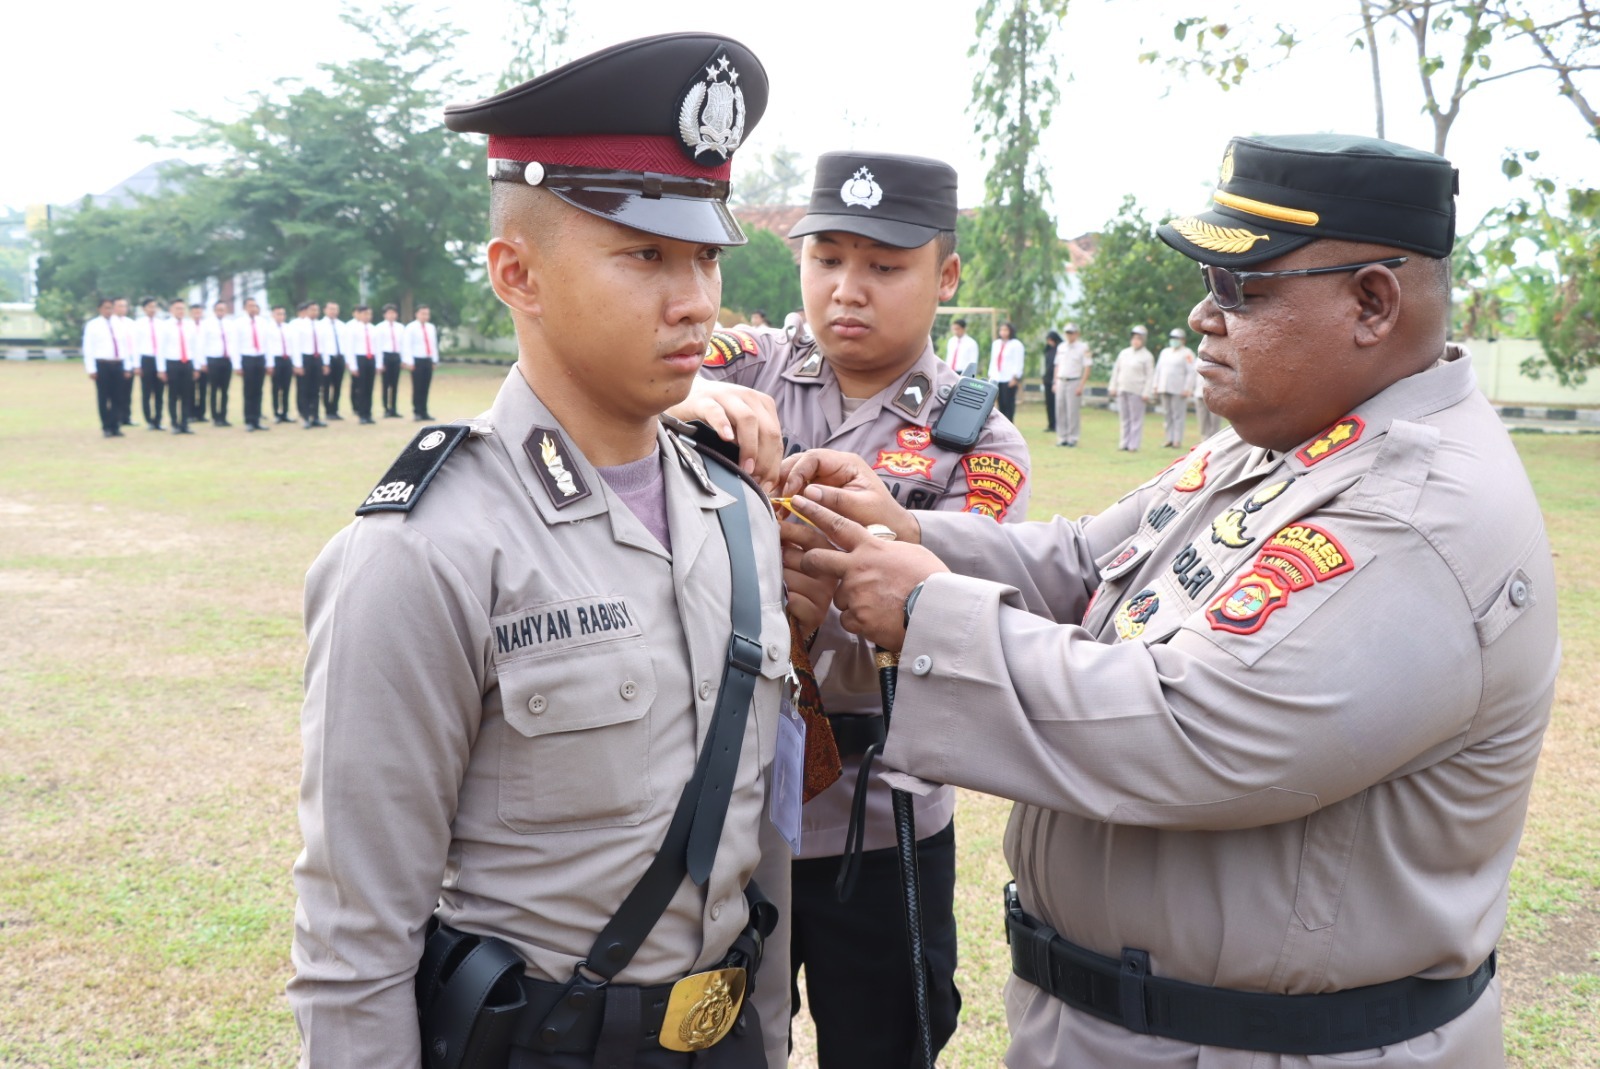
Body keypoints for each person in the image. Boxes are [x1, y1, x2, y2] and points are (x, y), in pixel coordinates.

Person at [782, 132, 1559, 1069]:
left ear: (1371, 302)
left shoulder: (1415, 512)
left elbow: (1193, 727)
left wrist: (923, 613)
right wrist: (908, 535)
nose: (1203, 315)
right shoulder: (1289, 440)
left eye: (1243, 289)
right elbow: (1084, 562)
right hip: (1139, 1024)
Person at [289, 32, 814, 1069]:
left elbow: (760, 836)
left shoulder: (734, 510)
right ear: (516, 272)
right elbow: (355, 940)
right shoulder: (426, 552)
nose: (696, 300)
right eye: (644, 254)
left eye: (704, 254)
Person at [674, 150, 1031, 1069]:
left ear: (946, 276)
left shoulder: (975, 441)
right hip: (726, 799)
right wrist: (690, 394)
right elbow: (627, 382)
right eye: (827, 257)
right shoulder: (739, 366)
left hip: (881, 815)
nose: (847, 289)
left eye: (884, 265)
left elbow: (964, 623)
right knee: (721, 1044)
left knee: (885, 1040)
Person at [1106, 324, 1154, 451]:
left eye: (1138, 338)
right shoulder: (1124, 353)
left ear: (1143, 340)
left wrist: (1146, 392)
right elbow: (1116, 370)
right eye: (1134, 338)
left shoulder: (1147, 356)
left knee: (1136, 420)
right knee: (1124, 418)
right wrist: (1113, 386)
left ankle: (1133, 445)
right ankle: (1124, 443)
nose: (1135, 341)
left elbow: (1150, 376)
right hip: (1123, 388)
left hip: (1137, 391)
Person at [82, 298, 125, 437]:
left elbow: (125, 345)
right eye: (106, 308)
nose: (109, 311)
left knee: (118, 396)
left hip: (117, 363)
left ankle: (115, 425)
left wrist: (127, 365)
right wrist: (91, 369)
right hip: (102, 364)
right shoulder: (93, 325)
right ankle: (106, 426)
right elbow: (88, 348)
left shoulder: (119, 323)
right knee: (103, 397)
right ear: (100, 309)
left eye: (111, 308)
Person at [158, 298, 200, 434]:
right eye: (177, 308)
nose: (180, 311)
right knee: (173, 395)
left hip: (187, 363)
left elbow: (195, 347)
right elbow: (160, 349)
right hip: (172, 363)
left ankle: (185, 423)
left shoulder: (190, 325)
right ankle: (174, 423)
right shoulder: (165, 326)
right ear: (171, 310)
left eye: (182, 308)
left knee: (187, 395)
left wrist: (196, 367)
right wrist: (161, 369)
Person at [1152, 326, 1197, 448]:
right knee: (1167, 414)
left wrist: (1187, 388)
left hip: (1179, 389)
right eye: (1173, 338)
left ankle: (1177, 440)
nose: (1174, 340)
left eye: (1177, 338)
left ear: (1183, 340)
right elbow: (1158, 369)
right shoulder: (1165, 352)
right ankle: (1169, 438)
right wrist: (1155, 385)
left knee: (1178, 415)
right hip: (1164, 386)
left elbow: (1191, 372)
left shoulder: (1187, 353)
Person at [233, 298, 271, 432]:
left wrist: (269, 362)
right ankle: (249, 420)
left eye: (255, 306)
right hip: (247, 357)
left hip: (260, 357)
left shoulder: (262, 322)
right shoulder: (238, 323)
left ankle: (257, 419)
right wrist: (237, 365)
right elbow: (235, 345)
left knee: (258, 390)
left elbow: (267, 343)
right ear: (245, 308)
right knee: (249, 390)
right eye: (250, 306)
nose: (253, 308)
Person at [1052, 323, 1090, 447]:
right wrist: (1055, 382)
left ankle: (1072, 437)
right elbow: (1057, 365)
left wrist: (1081, 385)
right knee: (1060, 409)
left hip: (1074, 381)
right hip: (1061, 380)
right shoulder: (1061, 347)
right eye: (1067, 333)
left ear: (1077, 334)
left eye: (1072, 333)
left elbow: (1087, 367)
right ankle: (1062, 437)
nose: (1069, 335)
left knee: (1072, 411)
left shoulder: (1083, 347)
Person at [291, 300, 326, 429]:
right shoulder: (299, 326)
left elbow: (324, 345)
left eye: (316, 310)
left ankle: (315, 416)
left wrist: (325, 363)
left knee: (316, 389)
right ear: (306, 311)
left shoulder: (321, 325)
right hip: (305, 358)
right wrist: (298, 364)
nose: (314, 312)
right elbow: (295, 346)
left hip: (317, 358)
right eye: (312, 310)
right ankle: (305, 416)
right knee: (304, 389)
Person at [201, 300, 235, 427]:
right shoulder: (207, 324)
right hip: (213, 360)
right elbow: (202, 344)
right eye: (219, 309)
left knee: (225, 390)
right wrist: (203, 362)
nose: (221, 312)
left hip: (226, 360)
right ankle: (215, 417)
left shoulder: (229, 324)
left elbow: (233, 343)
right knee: (214, 389)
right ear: (215, 310)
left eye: (223, 309)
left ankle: (224, 416)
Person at [133, 297, 165, 431]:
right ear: (144, 309)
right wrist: (137, 365)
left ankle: (158, 419)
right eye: (150, 307)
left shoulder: (162, 324)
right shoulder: (138, 324)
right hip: (145, 359)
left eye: (155, 306)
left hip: (159, 359)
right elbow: (135, 346)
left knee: (159, 392)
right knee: (146, 392)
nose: (153, 309)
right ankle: (149, 420)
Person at [402, 304, 438, 420]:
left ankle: (424, 411)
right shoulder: (411, 328)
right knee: (417, 387)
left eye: (427, 314)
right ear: (417, 314)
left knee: (426, 387)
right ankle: (417, 411)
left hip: (428, 359)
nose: (425, 316)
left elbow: (433, 345)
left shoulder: (431, 327)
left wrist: (434, 360)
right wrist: (409, 362)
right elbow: (407, 345)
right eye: (423, 313)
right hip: (417, 360)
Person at [347, 304, 379, 424]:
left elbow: (378, 347)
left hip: (371, 358)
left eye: (369, 314)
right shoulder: (353, 329)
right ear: (359, 315)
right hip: (359, 358)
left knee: (369, 388)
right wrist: (353, 365)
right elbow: (350, 348)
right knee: (361, 388)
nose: (367, 316)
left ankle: (368, 413)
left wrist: (378, 364)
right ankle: (361, 414)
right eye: (365, 314)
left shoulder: (373, 328)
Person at [988, 320, 1024, 422]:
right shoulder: (996, 343)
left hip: (1009, 378)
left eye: (1005, 330)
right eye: (1001, 330)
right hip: (997, 377)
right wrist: (990, 374)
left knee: (1008, 403)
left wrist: (1016, 377)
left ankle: (1009, 423)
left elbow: (1019, 361)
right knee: (998, 403)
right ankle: (1000, 423)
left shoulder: (1016, 344)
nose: (1003, 332)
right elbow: (993, 360)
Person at [111, 297, 138, 428]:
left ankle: (126, 416)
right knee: (117, 391)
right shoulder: (111, 323)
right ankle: (117, 416)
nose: (122, 308)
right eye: (119, 306)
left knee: (128, 391)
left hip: (131, 361)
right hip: (117, 362)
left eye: (124, 306)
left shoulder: (131, 323)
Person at [319, 299, 347, 421]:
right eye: (330, 309)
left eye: (335, 309)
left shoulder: (342, 325)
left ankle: (335, 409)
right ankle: (327, 410)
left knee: (338, 385)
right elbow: (321, 345)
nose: (333, 311)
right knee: (326, 386)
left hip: (339, 358)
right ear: (325, 310)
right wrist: (324, 362)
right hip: (327, 359)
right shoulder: (320, 325)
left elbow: (346, 343)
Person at [270, 304, 296, 424]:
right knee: (276, 388)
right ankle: (276, 413)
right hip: (276, 360)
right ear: (273, 315)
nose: (281, 316)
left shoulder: (288, 328)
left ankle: (285, 412)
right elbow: (268, 348)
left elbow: (293, 346)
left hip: (287, 360)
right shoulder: (269, 329)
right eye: (278, 314)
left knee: (286, 387)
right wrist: (269, 364)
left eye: (283, 314)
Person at [378, 303, 405, 417]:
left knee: (395, 384)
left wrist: (403, 359)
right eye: (389, 313)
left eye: (393, 313)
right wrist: (379, 363)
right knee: (385, 384)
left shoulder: (400, 327)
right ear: (384, 315)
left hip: (396, 356)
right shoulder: (379, 327)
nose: (391, 315)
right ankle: (386, 408)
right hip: (385, 356)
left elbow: (403, 344)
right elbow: (378, 346)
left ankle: (393, 408)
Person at [1040, 330, 1059, 433]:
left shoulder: (1059, 350)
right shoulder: (1047, 351)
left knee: (1057, 404)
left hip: (1056, 380)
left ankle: (1058, 424)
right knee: (1049, 403)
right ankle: (1051, 424)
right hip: (1047, 380)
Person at [1195, 373, 1223, 438]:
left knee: (1214, 420)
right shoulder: (1197, 363)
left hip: (1216, 395)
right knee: (1202, 420)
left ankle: (1215, 438)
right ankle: (1204, 438)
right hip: (1200, 395)